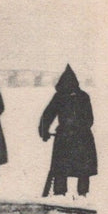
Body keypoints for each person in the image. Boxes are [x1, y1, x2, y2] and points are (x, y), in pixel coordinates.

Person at [39, 65, 96, 197]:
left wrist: (44, 132)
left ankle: (63, 194)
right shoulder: (82, 96)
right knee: (81, 169)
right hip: (81, 138)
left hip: (68, 138)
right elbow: (89, 119)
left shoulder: (60, 96)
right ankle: (81, 194)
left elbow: (47, 115)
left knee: (62, 168)